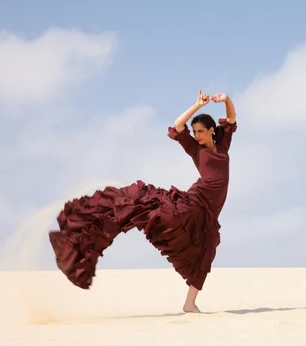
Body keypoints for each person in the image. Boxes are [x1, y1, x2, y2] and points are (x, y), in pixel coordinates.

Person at [48, 89, 237, 313]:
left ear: (211, 130)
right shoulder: (195, 149)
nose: (196, 136)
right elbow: (178, 125)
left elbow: (232, 118)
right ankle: (91, 228)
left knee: (207, 248)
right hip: (197, 201)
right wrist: (197, 106)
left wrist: (226, 100)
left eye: (200, 132)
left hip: (211, 210)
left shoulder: (223, 144)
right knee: (154, 208)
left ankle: (189, 303)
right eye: (194, 132)